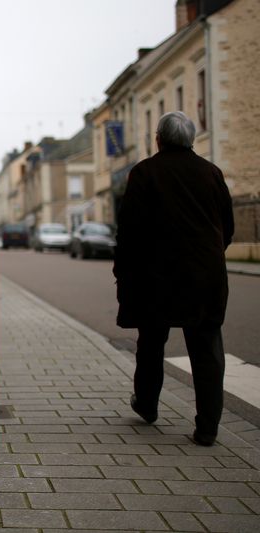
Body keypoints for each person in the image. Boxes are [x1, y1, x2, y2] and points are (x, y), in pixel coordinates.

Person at [114, 111, 234, 446]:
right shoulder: (212, 173)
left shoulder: (145, 173)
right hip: (205, 276)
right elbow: (226, 226)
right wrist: (209, 256)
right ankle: (207, 428)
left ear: (159, 139)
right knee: (207, 349)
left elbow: (129, 231)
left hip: (157, 276)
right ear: (191, 139)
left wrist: (123, 271)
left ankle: (148, 405)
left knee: (151, 343)